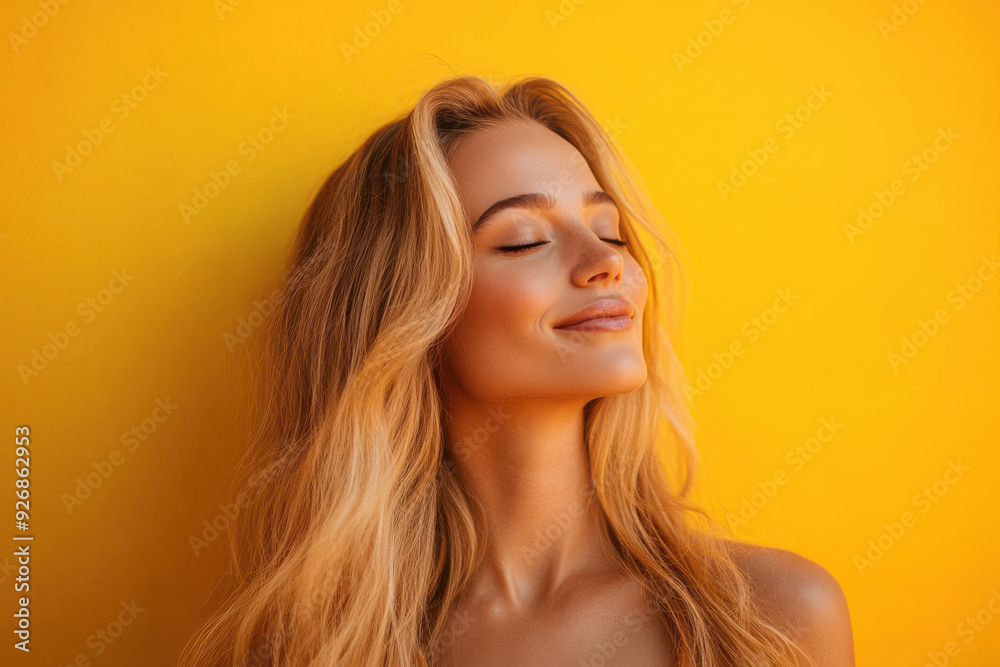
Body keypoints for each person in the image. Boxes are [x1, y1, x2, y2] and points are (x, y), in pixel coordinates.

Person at [179, 73, 855, 666]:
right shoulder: (303, 647)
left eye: (612, 229)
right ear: (410, 311)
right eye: (524, 239)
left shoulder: (777, 616)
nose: (607, 260)